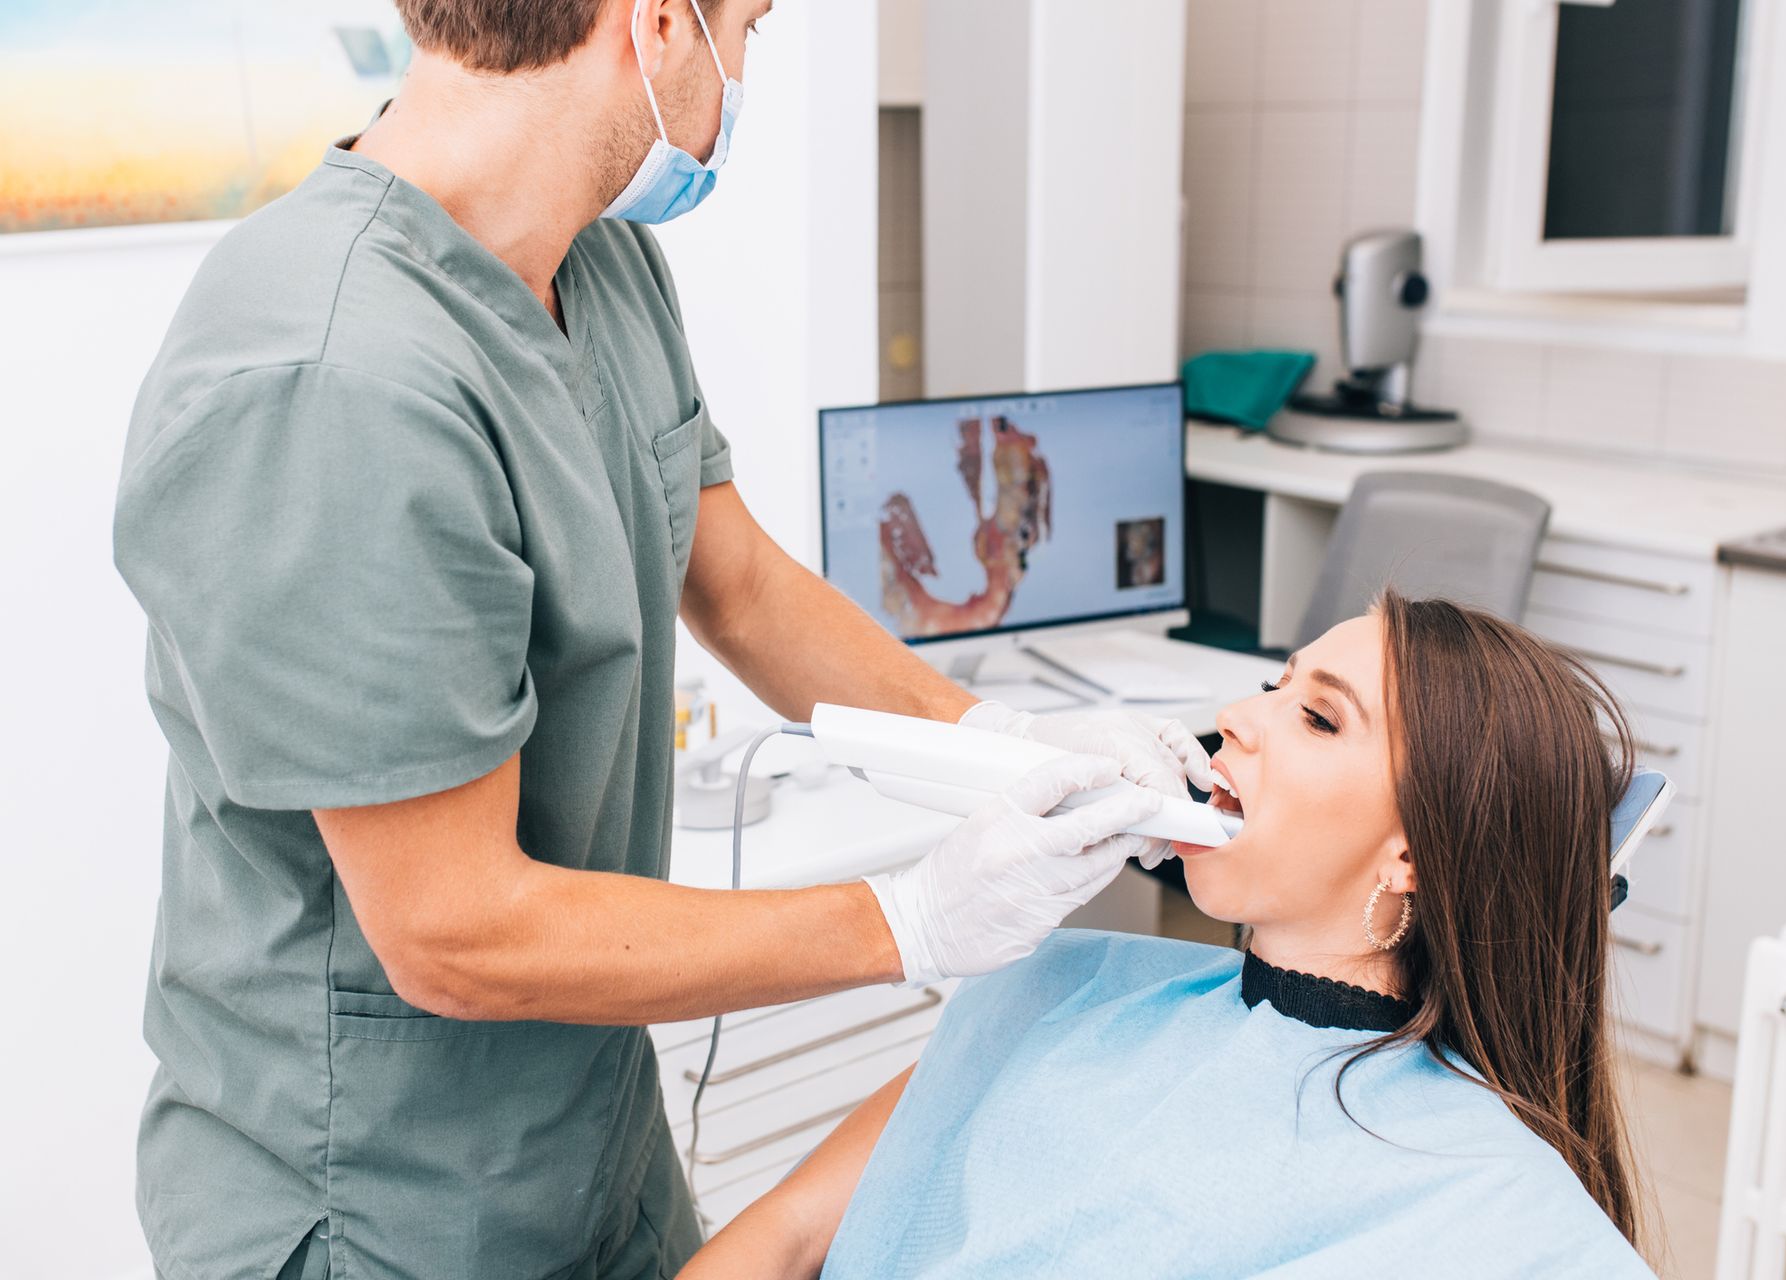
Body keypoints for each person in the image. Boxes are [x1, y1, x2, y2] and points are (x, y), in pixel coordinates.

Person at [111, 2, 1213, 1276]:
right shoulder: (332, 378)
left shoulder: (603, 263)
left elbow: (737, 583)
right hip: (377, 1199)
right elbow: (453, 932)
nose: (743, 68)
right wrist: (906, 919)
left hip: (591, 1144)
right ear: (655, 23)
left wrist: (1002, 743)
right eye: (745, 24)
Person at [683, 592, 1660, 1278]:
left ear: (1414, 855)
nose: (1236, 715)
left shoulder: (1479, 1189)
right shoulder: (1062, 981)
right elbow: (790, 1229)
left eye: (1317, 717)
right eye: (1277, 683)